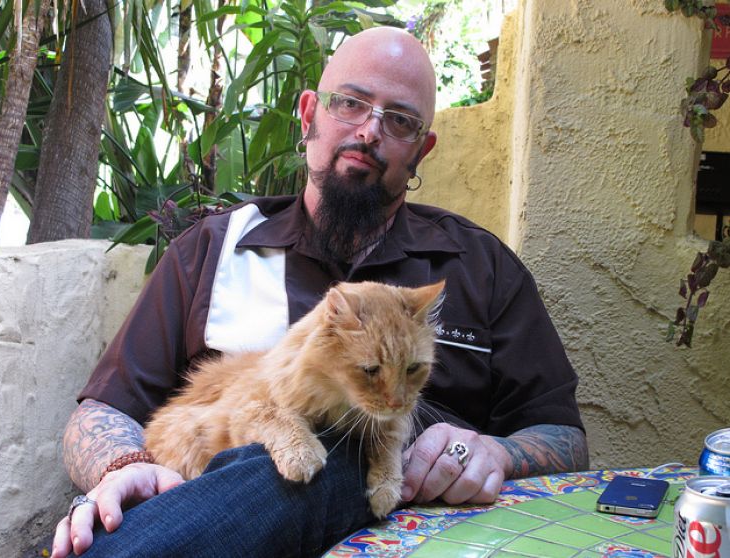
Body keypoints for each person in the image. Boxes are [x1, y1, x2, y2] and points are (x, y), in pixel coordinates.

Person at [50, 26, 588, 558]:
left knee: (341, 456)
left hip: (420, 528)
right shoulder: (212, 248)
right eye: (350, 103)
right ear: (309, 114)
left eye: (399, 120)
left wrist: (494, 453)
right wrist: (124, 466)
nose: (370, 131)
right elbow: (101, 411)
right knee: (281, 463)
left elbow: (565, 438)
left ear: (421, 150)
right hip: (223, 516)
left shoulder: (480, 264)